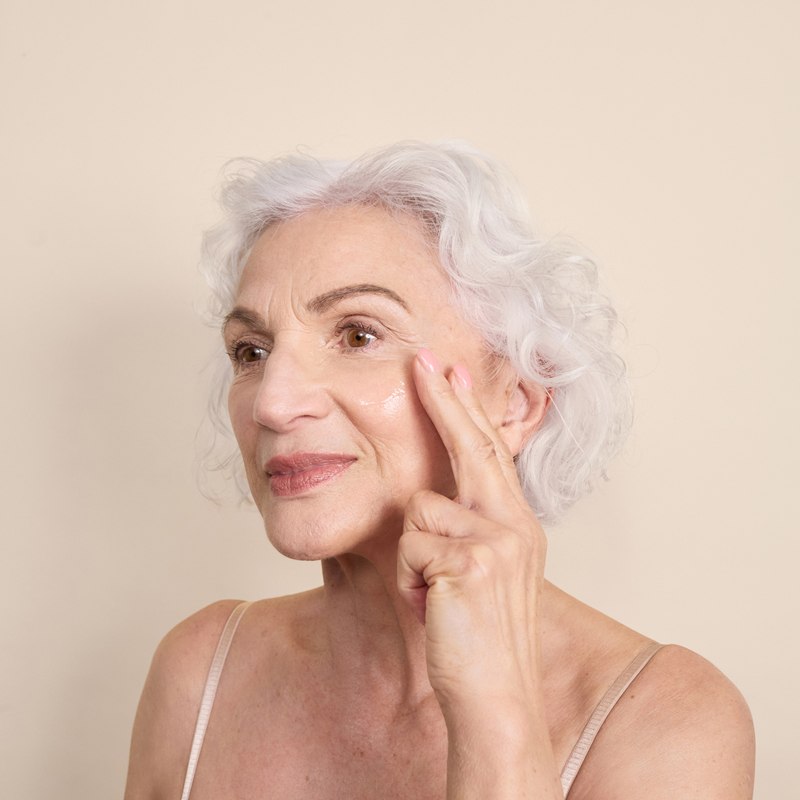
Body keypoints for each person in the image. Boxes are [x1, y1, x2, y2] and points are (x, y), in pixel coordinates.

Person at [123, 141, 755, 799]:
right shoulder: (199, 671)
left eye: (359, 335)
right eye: (251, 351)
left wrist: (495, 709)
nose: (274, 403)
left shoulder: (666, 719)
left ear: (514, 402)